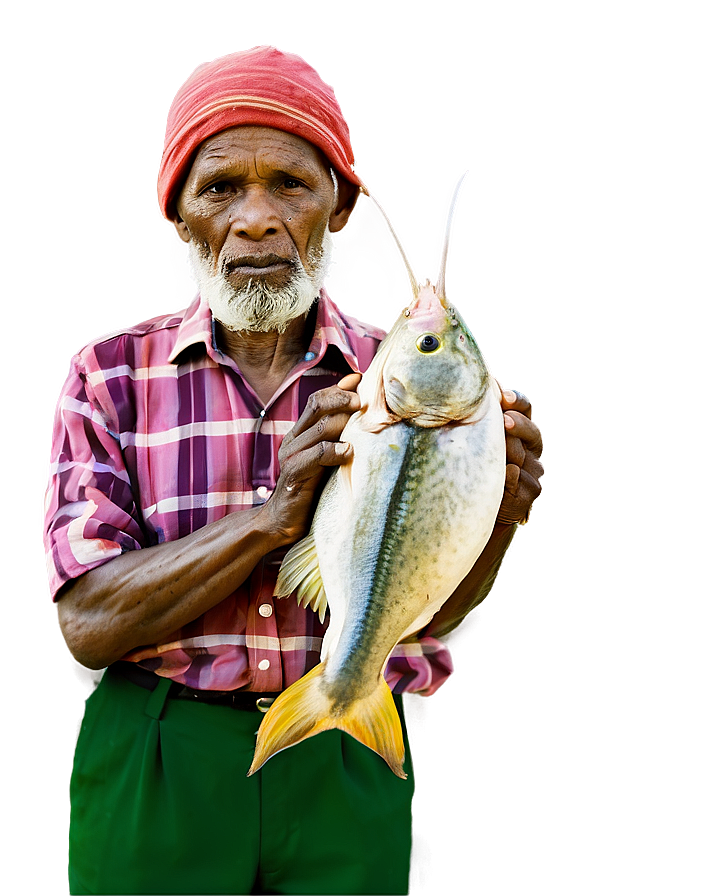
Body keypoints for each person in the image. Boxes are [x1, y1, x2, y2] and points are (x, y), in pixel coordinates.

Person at [44, 45, 544, 895]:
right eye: (220, 188)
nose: (257, 219)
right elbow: (89, 624)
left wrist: (492, 515)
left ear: (337, 208)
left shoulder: (404, 384)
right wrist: (274, 519)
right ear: (180, 213)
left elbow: (425, 614)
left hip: (350, 751)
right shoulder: (110, 377)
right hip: (160, 760)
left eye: (291, 185)